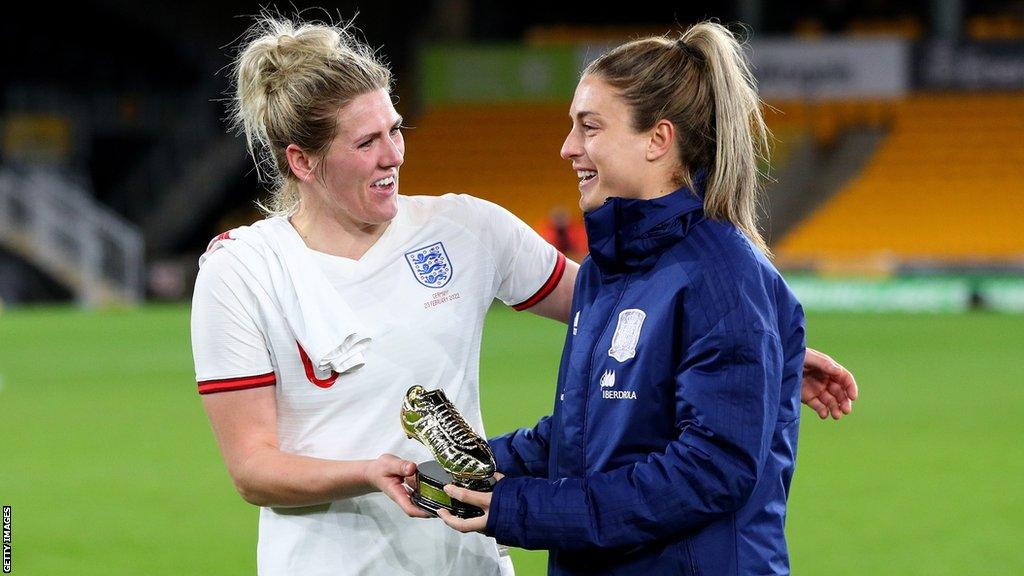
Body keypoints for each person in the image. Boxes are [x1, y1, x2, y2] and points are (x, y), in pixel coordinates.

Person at [190, 14, 855, 576]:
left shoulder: (464, 227)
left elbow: (642, 325)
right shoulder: (244, 269)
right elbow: (253, 468)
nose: (393, 154)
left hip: (470, 559)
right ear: (302, 161)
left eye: (396, 130)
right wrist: (378, 470)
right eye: (367, 141)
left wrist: (770, 356)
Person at [438, 22, 824, 575]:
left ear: (657, 140)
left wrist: (525, 508)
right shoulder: (605, 271)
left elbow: (709, 471)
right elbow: (587, 432)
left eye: (589, 127)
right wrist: (472, 464)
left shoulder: (725, 278)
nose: (568, 147)